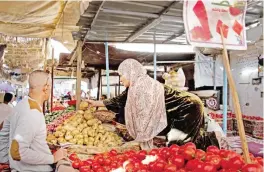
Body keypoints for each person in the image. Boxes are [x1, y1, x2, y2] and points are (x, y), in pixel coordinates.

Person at [88, 59, 219, 150]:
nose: (121, 79)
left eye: (122, 75)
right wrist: (95, 103)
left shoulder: (144, 87)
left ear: (131, 73)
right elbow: (119, 100)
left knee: (178, 144)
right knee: (183, 141)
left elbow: (146, 116)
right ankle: (209, 148)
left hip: (188, 106)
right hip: (181, 107)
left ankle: (210, 150)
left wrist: (141, 138)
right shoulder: (134, 87)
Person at [8, 70, 67, 171]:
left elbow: (5, 131)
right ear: (46, 88)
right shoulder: (32, 113)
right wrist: (52, 158)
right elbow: (17, 151)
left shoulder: (22, 104)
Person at [0, 93, 14, 164]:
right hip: (5, 130)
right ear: (10, 99)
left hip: (2, 129)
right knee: (4, 146)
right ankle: (3, 162)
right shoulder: (11, 109)